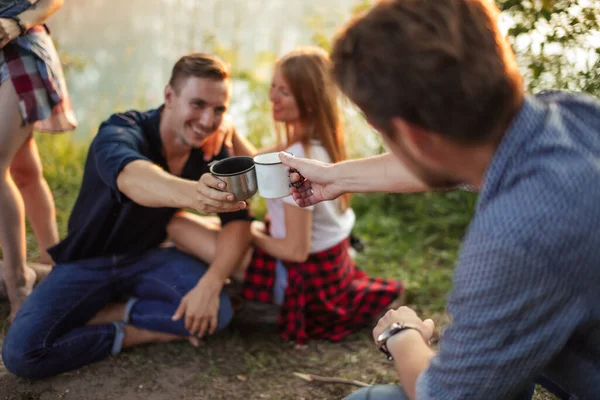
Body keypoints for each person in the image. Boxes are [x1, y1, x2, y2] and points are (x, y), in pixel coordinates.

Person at [278, 1, 600, 399]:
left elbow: (441, 395)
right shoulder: (571, 113)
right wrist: (335, 175)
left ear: (411, 137)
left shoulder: (515, 238)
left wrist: (403, 334)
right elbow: (455, 159)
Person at [2, 53, 252, 379]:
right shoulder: (120, 130)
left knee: (218, 311)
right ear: (169, 97)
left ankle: (116, 311)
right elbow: (134, 179)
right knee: (22, 353)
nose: (208, 120)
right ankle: (137, 328)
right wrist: (195, 194)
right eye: (198, 104)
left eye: (219, 109)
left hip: (148, 257)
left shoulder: (211, 148)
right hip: (87, 261)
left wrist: (212, 280)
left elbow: (239, 223)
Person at [167, 47, 403, 345]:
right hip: (329, 265)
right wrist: (230, 129)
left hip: (302, 276)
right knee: (217, 230)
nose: (272, 98)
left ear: (308, 101)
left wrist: (248, 236)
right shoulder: (312, 143)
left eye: (284, 93)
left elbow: (295, 251)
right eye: (273, 87)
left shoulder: (298, 158)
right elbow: (256, 160)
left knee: (178, 226)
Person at [0, 0, 78, 322]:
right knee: (24, 171)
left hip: (18, 52)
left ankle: (20, 286)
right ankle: (58, 270)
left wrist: (16, 23)